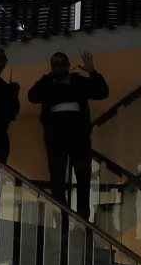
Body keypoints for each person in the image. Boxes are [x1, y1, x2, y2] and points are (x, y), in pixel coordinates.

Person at [26, 51, 107, 213]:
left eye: (60, 65)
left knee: (82, 176)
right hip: (56, 136)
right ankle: (61, 215)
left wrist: (92, 72)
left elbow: (102, 92)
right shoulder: (48, 84)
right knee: (57, 178)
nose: (57, 68)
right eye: (54, 65)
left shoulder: (77, 81)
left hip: (78, 135)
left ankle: (82, 216)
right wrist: (48, 78)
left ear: (68, 66)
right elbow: (32, 96)